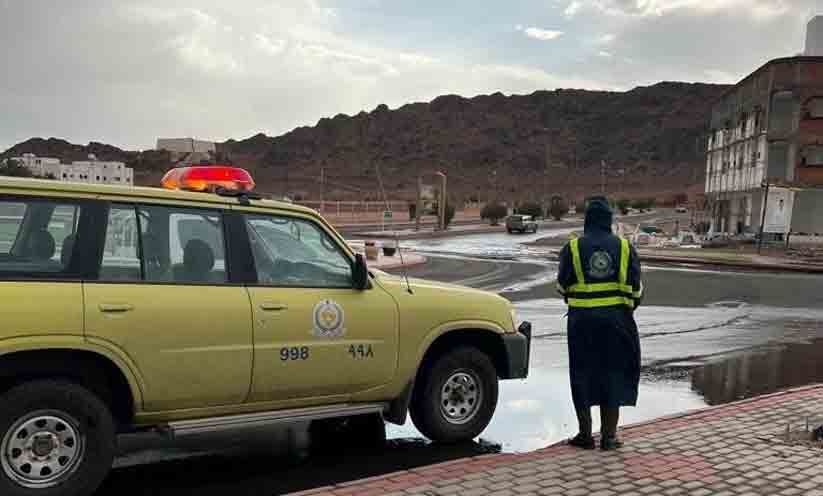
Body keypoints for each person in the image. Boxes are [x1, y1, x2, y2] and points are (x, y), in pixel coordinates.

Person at [556, 197, 643, 451]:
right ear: (608, 220)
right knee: (613, 373)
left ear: (587, 220)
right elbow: (635, 292)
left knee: (582, 374)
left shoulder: (572, 248)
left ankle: (585, 435)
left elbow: (562, 287)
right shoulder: (625, 248)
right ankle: (609, 437)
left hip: (582, 323)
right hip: (617, 323)